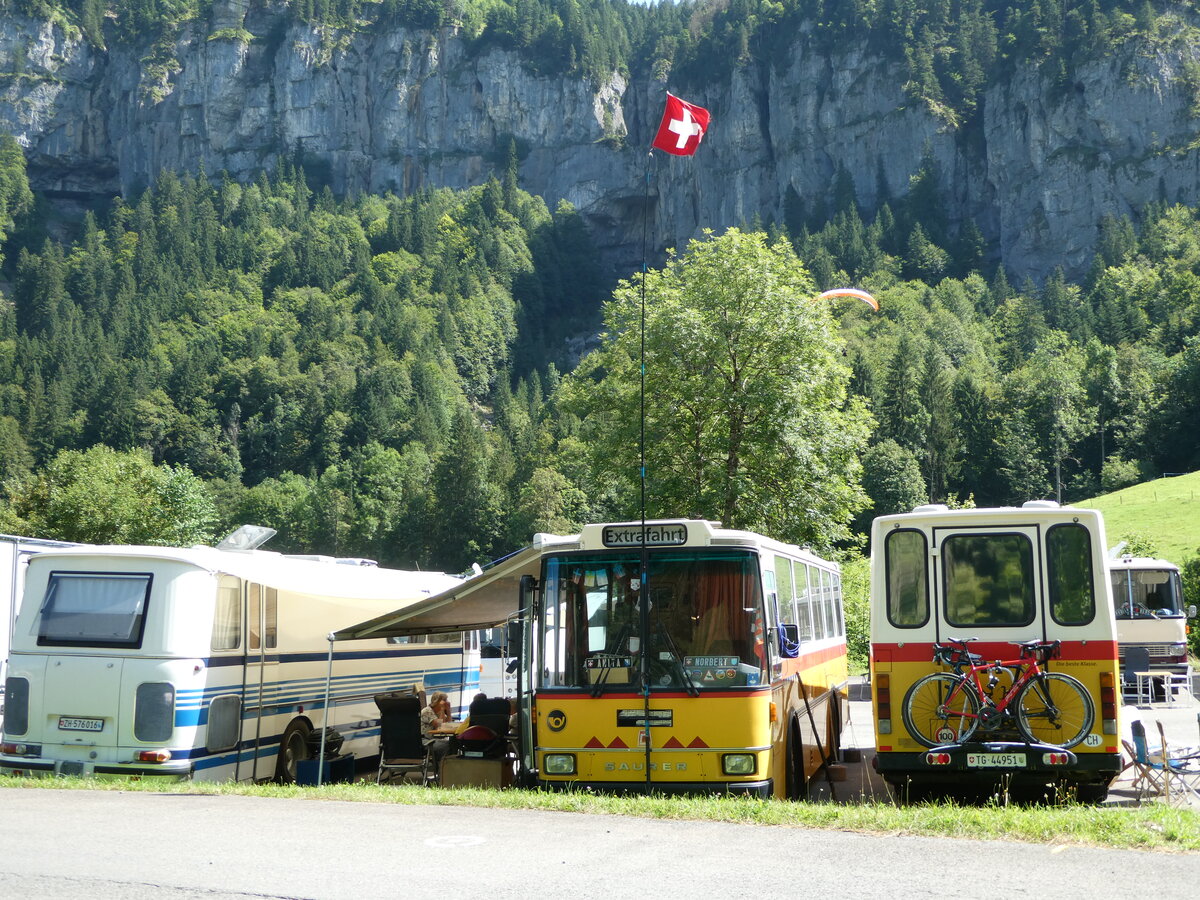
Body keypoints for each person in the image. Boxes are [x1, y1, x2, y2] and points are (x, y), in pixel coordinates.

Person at [420, 691, 454, 769]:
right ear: (437, 702)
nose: (446, 702)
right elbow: (440, 726)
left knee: (453, 743)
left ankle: (446, 769)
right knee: (448, 746)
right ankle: (441, 770)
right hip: (426, 740)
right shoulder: (427, 711)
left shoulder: (438, 712)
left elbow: (448, 724)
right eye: (444, 700)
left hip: (434, 739)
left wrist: (448, 711)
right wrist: (442, 709)